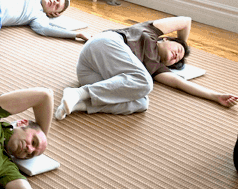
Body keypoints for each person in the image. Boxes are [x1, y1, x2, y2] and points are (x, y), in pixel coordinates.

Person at [54, 16, 238, 119]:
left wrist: (215, 96)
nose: (177, 56)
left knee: (141, 103)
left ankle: (79, 104)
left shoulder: (155, 68)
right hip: (104, 45)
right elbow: (186, 20)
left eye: (177, 61)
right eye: (178, 49)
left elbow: (180, 83)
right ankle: (78, 93)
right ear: (166, 39)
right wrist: (183, 42)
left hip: (92, 76)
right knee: (145, 83)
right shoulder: (150, 31)